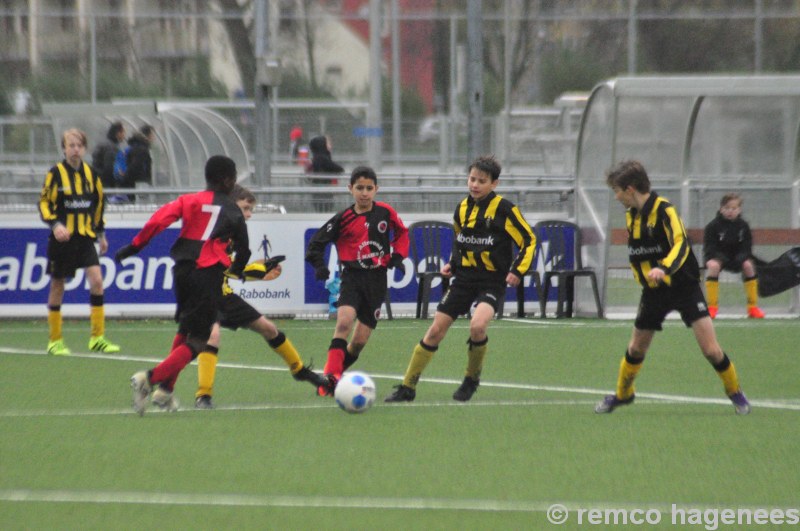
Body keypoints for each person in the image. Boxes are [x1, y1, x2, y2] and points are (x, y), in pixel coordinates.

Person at [595, 160, 751, 415]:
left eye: (617, 190)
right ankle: (623, 394)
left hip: (684, 286)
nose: (616, 196)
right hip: (654, 291)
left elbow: (681, 244)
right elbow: (639, 253)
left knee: (711, 350)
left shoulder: (665, 210)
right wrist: (646, 277)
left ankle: (735, 393)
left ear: (630, 188)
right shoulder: (631, 216)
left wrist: (664, 268)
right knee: (635, 348)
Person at [384, 155, 535, 403]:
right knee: (435, 331)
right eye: (472, 179)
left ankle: (471, 378)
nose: (475, 184)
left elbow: (529, 240)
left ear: (494, 184)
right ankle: (407, 387)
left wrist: (518, 270)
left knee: (477, 326)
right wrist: (453, 264)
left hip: (491, 281)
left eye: (482, 181)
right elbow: (459, 238)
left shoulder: (505, 210)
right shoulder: (462, 208)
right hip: (464, 279)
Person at [116, 155, 250, 416]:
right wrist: (236, 270)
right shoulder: (233, 211)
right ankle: (149, 378)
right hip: (207, 275)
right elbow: (243, 250)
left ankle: (165, 391)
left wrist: (134, 247)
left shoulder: (189, 200)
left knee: (186, 328)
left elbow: (158, 221)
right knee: (199, 342)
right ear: (227, 180)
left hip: (182, 271)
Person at [193, 184, 327, 409]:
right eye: (245, 208)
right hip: (202, 294)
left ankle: (300, 370)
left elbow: (231, 270)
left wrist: (258, 271)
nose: (249, 214)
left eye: (250, 209)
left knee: (269, 328)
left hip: (223, 294)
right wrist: (256, 270)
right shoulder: (212, 232)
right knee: (212, 336)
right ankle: (203, 395)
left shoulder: (234, 234)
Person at [305, 165, 409, 396]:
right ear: (350, 189)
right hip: (352, 278)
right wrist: (320, 266)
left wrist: (398, 256)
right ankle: (330, 381)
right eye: (359, 188)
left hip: (376, 281)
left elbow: (402, 233)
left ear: (376, 189)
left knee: (359, 341)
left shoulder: (385, 213)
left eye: (369, 188)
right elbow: (316, 243)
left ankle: (334, 376)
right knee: (343, 324)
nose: (364, 193)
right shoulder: (343, 218)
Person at [38, 128, 121, 356]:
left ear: (84, 148)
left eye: (79, 145)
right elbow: (44, 204)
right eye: (70, 145)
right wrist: (55, 225)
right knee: (58, 285)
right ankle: (55, 340)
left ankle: (98, 337)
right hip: (62, 240)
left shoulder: (92, 174)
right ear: (64, 148)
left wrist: (101, 236)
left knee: (97, 281)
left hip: (85, 238)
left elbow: (99, 205)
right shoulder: (55, 174)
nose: (75, 150)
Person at [703, 193, 765, 319]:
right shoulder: (713, 226)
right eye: (727, 208)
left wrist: (741, 257)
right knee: (713, 266)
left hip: (737, 259)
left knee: (748, 265)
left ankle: (752, 307)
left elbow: (747, 247)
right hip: (718, 258)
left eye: (734, 208)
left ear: (739, 209)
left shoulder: (743, 226)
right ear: (721, 209)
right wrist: (719, 257)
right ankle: (712, 307)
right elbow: (709, 248)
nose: (730, 211)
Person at [306, 135, 344, 213]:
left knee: (323, 211)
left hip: (323, 191)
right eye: (328, 143)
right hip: (323, 192)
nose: (330, 145)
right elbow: (338, 168)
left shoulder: (319, 157)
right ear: (322, 145)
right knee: (324, 212)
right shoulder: (322, 158)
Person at [121, 124, 155, 202]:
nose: (153, 137)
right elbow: (135, 167)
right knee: (141, 205)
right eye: (152, 134)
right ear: (148, 135)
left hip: (135, 185)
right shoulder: (141, 149)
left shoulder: (136, 146)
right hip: (139, 185)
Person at [91, 121, 126, 190]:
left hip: (99, 181)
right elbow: (109, 168)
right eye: (123, 132)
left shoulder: (104, 144)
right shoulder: (111, 147)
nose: (125, 135)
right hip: (107, 184)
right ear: (118, 133)